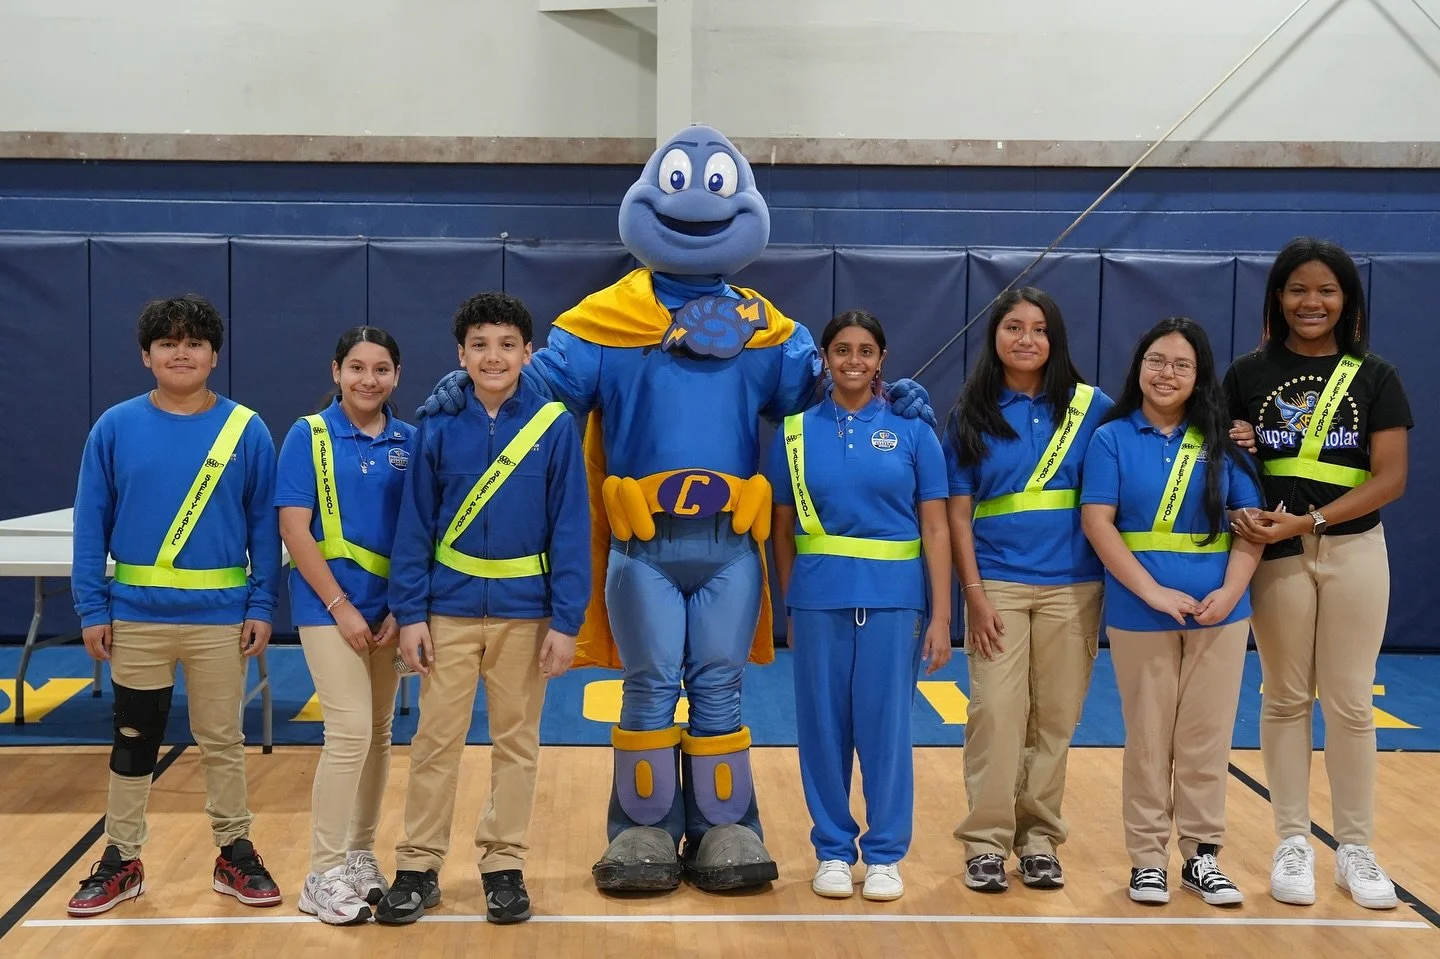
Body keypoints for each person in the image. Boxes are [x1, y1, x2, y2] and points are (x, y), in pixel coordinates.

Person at [375, 292, 588, 926]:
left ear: (528, 352)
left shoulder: (554, 426)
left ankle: (503, 865)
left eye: (506, 345)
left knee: (516, 743)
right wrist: (411, 612)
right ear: (461, 354)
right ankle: (418, 866)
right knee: (434, 741)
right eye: (479, 345)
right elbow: (414, 526)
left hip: (527, 616)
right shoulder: (437, 426)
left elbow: (571, 529)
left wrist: (566, 622)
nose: (493, 357)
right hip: (448, 614)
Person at [68, 295, 282, 916]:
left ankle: (234, 852)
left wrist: (262, 603)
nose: (180, 353)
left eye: (193, 343)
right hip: (135, 618)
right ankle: (122, 857)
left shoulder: (248, 429)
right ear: (147, 355)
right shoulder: (114, 427)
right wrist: (92, 608)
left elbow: (264, 527)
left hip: (222, 620)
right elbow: (90, 523)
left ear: (214, 355)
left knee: (223, 739)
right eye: (167, 343)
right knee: (134, 737)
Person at [1226, 237, 1412, 910]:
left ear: (1346, 300)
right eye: (1298, 289)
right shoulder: (1246, 373)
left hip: (1354, 550)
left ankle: (1355, 848)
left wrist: (1309, 522)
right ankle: (1292, 841)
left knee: (1351, 701)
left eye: (1327, 290)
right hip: (1274, 555)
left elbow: (1390, 478)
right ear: (1278, 297)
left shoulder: (1376, 376)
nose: (1312, 302)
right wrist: (1238, 452)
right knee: (1284, 696)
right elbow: (1223, 459)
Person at [768, 309, 952, 903]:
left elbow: (936, 528)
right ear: (825, 359)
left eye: (865, 351)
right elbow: (781, 529)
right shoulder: (793, 433)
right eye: (842, 350)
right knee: (822, 730)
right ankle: (831, 849)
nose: (853, 360)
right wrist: (792, 603)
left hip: (895, 602)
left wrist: (942, 616)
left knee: (885, 730)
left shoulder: (914, 432)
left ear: (881, 360)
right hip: (817, 601)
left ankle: (885, 854)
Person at [1080, 317, 1264, 907]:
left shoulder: (1223, 440)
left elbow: (1252, 527)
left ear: (1199, 374)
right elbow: (1098, 523)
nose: (1167, 373)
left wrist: (1230, 593)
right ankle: (1147, 859)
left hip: (1220, 614)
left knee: (1206, 739)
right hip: (1141, 613)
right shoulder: (1111, 438)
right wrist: (1153, 593)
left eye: (1182, 364)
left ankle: (1202, 857)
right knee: (1149, 740)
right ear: (1139, 367)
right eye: (1157, 361)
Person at [943, 289, 1112, 893]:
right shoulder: (972, 411)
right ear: (995, 336)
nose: (1026, 339)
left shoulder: (1093, 408)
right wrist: (974, 593)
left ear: (1055, 339)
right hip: (998, 585)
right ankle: (985, 842)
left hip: (1075, 587)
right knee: (995, 714)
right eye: (1013, 327)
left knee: (1055, 719)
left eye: (1039, 329)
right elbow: (957, 512)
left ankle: (1039, 839)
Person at [275, 326, 416, 924]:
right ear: (336, 371)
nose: (368, 379)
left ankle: (359, 855)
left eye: (381, 369)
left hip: (390, 613)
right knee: (350, 731)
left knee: (380, 731)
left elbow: (421, 530)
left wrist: (404, 608)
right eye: (357, 367)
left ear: (396, 376)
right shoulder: (308, 435)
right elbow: (294, 528)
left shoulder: (411, 440)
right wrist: (341, 606)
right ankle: (322, 872)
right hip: (326, 607)